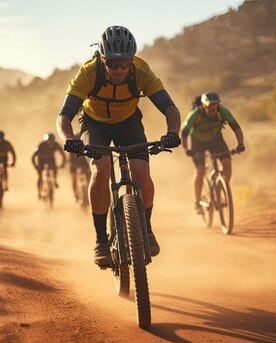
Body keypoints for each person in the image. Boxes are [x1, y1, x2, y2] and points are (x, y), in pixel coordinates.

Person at [56, 25, 181, 267]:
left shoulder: (141, 71)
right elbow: (63, 116)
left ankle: (147, 227)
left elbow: (170, 107)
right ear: (102, 58)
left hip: (128, 122)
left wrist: (172, 133)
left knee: (141, 173)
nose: (120, 69)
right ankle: (101, 241)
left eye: (125, 63)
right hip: (94, 123)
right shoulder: (88, 73)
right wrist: (69, 138)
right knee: (100, 170)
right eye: (113, 64)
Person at [180, 91, 245, 215]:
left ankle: (221, 189)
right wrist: (187, 149)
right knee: (200, 169)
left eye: (215, 105)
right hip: (197, 141)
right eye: (209, 105)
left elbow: (236, 127)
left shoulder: (223, 111)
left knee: (227, 163)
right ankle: (197, 202)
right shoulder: (195, 114)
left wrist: (240, 144)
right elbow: (184, 133)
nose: (212, 108)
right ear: (203, 106)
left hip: (215, 139)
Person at [31, 132, 66, 197]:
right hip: (41, 160)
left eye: (52, 141)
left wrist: (63, 163)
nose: (51, 143)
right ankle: (39, 191)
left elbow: (63, 155)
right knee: (40, 176)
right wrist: (36, 166)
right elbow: (33, 157)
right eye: (49, 141)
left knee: (54, 168)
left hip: (51, 160)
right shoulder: (41, 145)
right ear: (46, 141)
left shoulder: (56, 145)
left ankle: (54, 180)